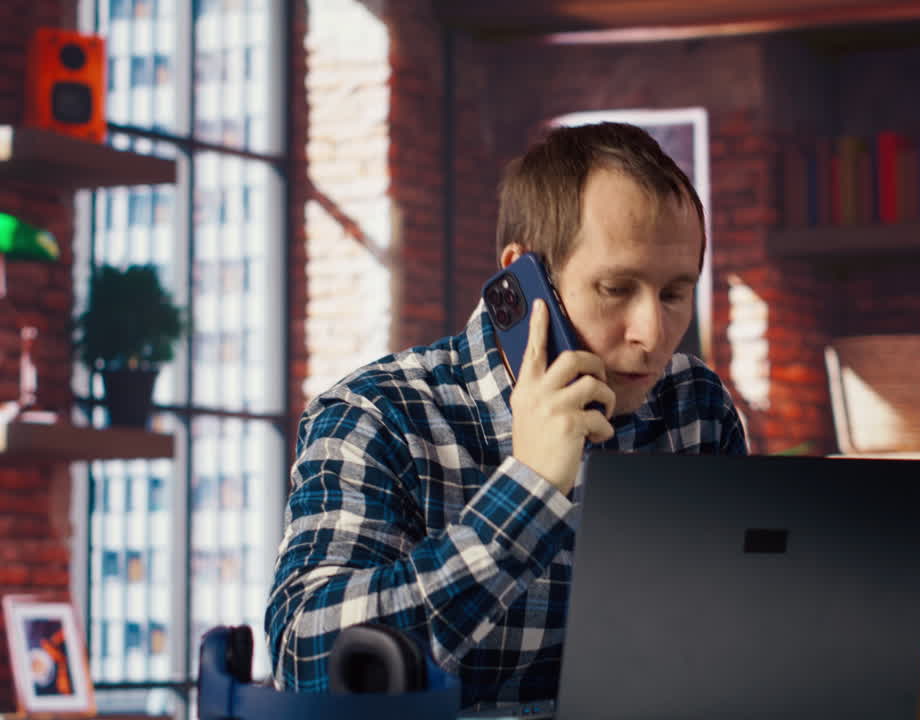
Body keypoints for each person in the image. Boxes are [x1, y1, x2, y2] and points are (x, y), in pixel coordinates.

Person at [264, 121, 749, 710]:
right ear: (521, 281)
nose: (652, 335)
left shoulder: (694, 407)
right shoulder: (377, 416)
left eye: (674, 293)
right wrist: (529, 490)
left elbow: (730, 641)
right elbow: (306, 661)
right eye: (616, 288)